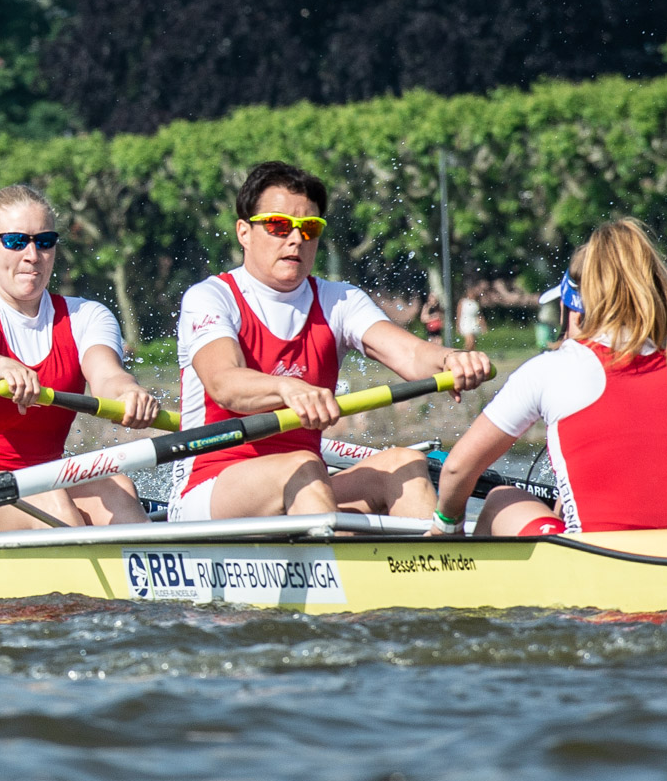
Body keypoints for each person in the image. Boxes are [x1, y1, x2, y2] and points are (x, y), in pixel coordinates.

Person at [173, 162, 494, 522]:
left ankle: (433, 569)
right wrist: (289, 389)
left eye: (309, 228)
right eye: (278, 226)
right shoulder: (211, 297)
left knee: (406, 464)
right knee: (305, 469)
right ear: (244, 232)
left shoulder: (338, 300)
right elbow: (224, 384)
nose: (296, 239)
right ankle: (350, 569)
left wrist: (452, 358)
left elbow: (412, 353)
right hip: (211, 486)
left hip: (306, 484)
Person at [430, 218, 667, 537]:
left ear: (576, 307)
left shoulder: (551, 369)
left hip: (597, 558)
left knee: (501, 497)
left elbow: (456, 468)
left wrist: (446, 526)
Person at [0, 185, 159, 532]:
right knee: (51, 501)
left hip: (45, 479)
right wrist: (1, 365)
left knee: (117, 488)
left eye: (44, 241)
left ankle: (153, 583)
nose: (32, 255)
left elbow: (107, 377)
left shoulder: (87, 316)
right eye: (15, 241)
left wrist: (129, 393)